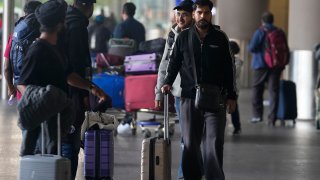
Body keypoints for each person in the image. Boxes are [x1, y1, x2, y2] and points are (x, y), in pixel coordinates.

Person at [17, 0, 106, 157]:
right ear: (59, 24)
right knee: (45, 165)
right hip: (41, 127)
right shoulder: (37, 51)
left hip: (56, 122)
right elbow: (22, 84)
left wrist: (92, 88)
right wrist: (43, 104)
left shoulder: (57, 49)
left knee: (59, 160)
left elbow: (68, 75)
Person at [161, 0, 237, 179]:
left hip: (216, 98)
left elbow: (229, 68)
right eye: (200, 13)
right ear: (194, 15)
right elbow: (173, 63)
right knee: (190, 143)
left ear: (211, 15)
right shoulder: (183, 37)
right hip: (189, 97)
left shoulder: (220, 38)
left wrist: (232, 96)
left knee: (214, 142)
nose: (203, 16)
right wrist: (167, 82)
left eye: (206, 13)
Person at [154, 0, 194, 179]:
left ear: (192, 15)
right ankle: (184, 175)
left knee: (196, 137)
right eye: (178, 14)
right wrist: (158, 92)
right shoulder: (172, 34)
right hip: (179, 92)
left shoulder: (197, 34)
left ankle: (192, 172)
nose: (180, 18)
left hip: (199, 91)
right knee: (186, 136)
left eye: (184, 14)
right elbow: (164, 64)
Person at [61, 0, 98, 178]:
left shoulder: (66, 19)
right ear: (87, 6)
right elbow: (77, 64)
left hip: (62, 91)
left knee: (64, 138)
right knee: (71, 140)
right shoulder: (77, 26)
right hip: (73, 92)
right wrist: (85, 92)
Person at [248, 12, 284, 125]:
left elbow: (252, 48)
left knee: (257, 90)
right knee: (274, 91)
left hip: (261, 65)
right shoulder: (279, 32)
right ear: (272, 20)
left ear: (262, 21)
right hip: (275, 65)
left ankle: (257, 116)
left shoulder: (260, 31)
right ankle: (272, 118)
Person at [3, 0, 42, 101]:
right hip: (41, 89)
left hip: (21, 87)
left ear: (25, 14)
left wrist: (10, 86)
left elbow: (7, 67)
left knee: (25, 115)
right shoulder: (43, 34)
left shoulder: (14, 36)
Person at [229, 40, 243, 135]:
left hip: (234, 88)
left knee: (233, 108)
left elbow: (234, 73)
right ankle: (236, 126)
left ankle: (237, 126)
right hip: (232, 88)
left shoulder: (237, 62)